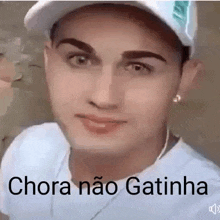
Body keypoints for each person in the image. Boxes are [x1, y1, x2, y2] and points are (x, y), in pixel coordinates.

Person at [0, 1, 220, 219]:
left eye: (139, 67)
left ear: (185, 80)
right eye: (80, 59)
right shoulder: (28, 148)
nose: (103, 98)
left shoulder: (205, 205)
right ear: (49, 62)